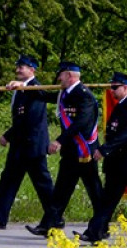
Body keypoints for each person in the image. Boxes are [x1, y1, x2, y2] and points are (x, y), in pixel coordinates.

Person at [23, 61, 103, 237]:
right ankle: (49, 225)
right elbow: (43, 95)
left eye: (61, 74)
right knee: (61, 190)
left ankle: (101, 228)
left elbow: (81, 123)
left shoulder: (84, 95)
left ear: (69, 75)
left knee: (95, 191)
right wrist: (24, 85)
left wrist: (59, 140)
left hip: (84, 152)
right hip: (70, 152)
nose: (58, 78)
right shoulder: (64, 94)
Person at [77, 73, 127, 243]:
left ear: (126, 87)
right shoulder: (120, 106)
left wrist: (104, 150)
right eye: (111, 87)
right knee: (107, 201)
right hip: (117, 164)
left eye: (115, 87)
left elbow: (126, 133)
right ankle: (95, 232)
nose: (112, 91)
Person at [0, 55, 54, 230]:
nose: (18, 69)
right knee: (7, 180)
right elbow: (19, 117)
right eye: (17, 67)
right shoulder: (20, 88)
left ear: (32, 70)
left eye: (22, 67)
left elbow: (30, 119)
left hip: (33, 145)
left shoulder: (36, 88)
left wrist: (7, 135)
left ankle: (55, 217)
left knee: (42, 184)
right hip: (19, 145)